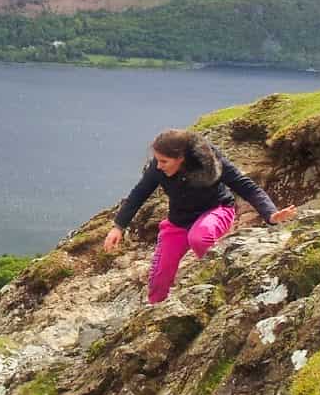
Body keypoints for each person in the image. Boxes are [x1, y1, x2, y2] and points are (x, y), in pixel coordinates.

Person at [103, 128, 296, 303]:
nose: (158, 166)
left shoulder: (211, 160)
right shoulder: (158, 168)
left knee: (199, 237)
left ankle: (219, 283)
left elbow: (245, 185)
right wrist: (118, 227)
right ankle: (159, 314)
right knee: (158, 281)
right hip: (179, 221)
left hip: (217, 210)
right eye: (157, 160)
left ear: (182, 158)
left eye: (164, 161)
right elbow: (139, 193)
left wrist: (271, 214)